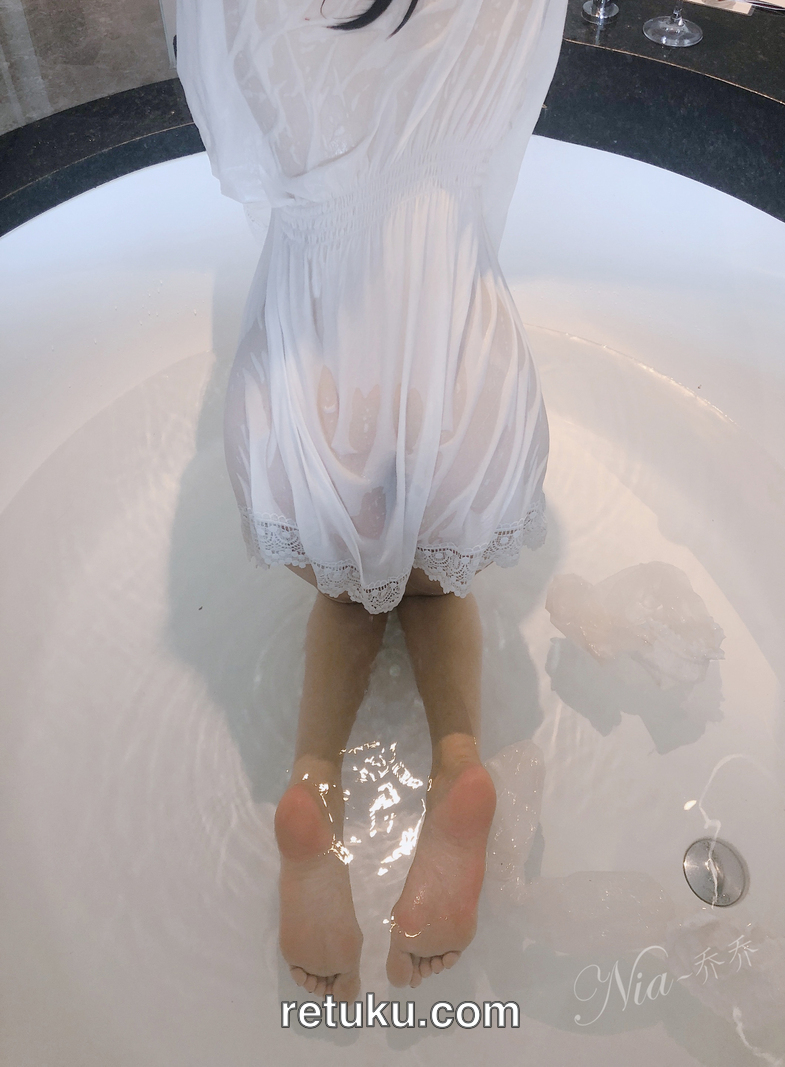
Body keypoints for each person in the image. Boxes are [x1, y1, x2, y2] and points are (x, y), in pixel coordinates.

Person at [177, 0, 568, 1001]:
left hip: (317, 376)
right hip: (460, 362)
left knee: (348, 596)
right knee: (436, 590)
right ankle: (459, 758)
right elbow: (510, 117)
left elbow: (242, 158)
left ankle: (312, 779)